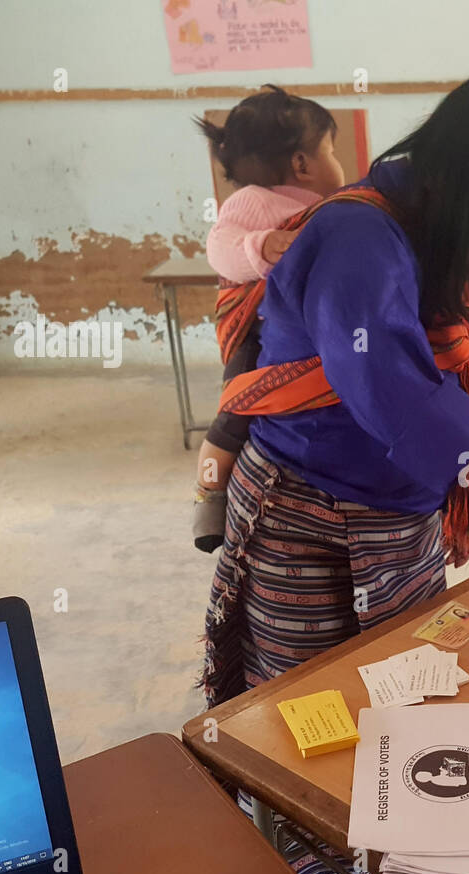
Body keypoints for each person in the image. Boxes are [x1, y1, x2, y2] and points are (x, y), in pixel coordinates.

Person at [199, 68, 469, 874]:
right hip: (306, 523)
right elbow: (389, 387)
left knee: (396, 700)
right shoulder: (359, 234)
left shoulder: (432, 231)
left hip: (396, 525)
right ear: (458, 170)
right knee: (306, 722)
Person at [191, 86, 347, 552]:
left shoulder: (331, 210)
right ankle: (208, 498)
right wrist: (258, 247)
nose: (338, 163)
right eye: (331, 151)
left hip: (306, 335)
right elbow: (220, 248)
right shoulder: (254, 201)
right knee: (232, 421)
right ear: (302, 164)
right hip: (259, 339)